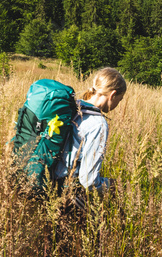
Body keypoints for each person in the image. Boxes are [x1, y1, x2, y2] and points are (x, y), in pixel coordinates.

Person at [53, 67, 127, 200]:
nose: (118, 104)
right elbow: (88, 181)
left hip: (48, 178)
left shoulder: (73, 106)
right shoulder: (98, 124)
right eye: (119, 100)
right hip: (64, 190)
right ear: (112, 95)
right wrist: (112, 185)